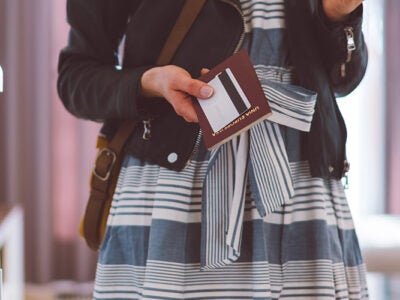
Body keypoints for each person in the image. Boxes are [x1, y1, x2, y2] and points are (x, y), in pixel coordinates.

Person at [57, 0, 369, 299]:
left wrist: (339, 18)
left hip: (302, 183)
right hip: (175, 186)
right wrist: (149, 82)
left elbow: (342, 80)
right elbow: (77, 78)